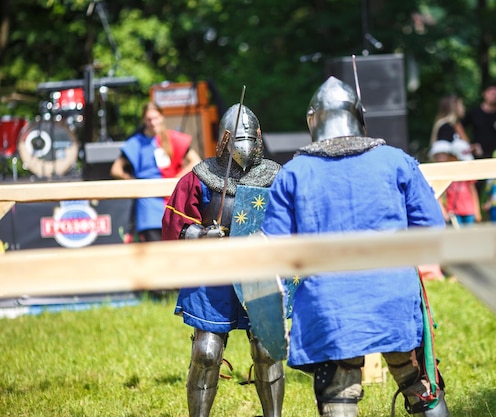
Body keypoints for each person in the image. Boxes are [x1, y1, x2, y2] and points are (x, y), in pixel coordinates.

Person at [262, 76, 451, 417]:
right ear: (357, 116)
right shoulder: (396, 161)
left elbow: (275, 251)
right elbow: (432, 231)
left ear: (313, 120)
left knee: (338, 394)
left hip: (329, 306)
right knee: (421, 387)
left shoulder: (292, 173)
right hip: (393, 298)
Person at [161, 104, 284, 417]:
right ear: (224, 139)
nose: (244, 146)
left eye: (250, 139)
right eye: (237, 139)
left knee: (267, 350)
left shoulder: (276, 176)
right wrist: (200, 235)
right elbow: (175, 224)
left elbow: (291, 222)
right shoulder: (199, 178)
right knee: (206, 352)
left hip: (259, 271)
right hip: (211, 272)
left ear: (259, 138)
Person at [110, 102, 202, 242]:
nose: (153, 122)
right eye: (149, 119)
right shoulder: (136, 142)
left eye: (155, 118)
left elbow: (195, 160)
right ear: (144, 120)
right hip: (149, 208)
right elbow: (116, 169)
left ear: (162, 117)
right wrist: (135, 184)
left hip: (174, 203)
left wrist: (177, 180)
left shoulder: (173, 138)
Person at [430, 138, 482, 227]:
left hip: (469, 210)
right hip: (453, 212)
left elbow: (473, 191)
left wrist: (477, 211)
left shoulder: (465, 172)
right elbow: (439, 195)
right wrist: (443, 212)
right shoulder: (443, 174)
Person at [462, 83, 496, 160]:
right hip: (478, 154)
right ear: (484, 94)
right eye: (492, 93)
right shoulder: (474, 113)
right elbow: (459, 126)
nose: (494, 96)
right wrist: (468, 144)